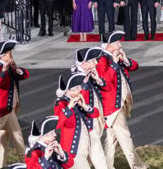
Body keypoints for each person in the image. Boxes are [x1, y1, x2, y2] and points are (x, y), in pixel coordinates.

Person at [97, 31, 146, 169]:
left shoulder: (115, 56)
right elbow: (104, 83)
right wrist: (114, 63)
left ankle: (106, 165)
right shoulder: (102, 60)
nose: (120, 44)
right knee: (125, 137)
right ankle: (137, 166)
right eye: (117, 42)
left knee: (111, 138)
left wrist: (124, 60)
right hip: (112, 106)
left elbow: (134, 66)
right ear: (109, 45)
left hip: (120, 102)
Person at [0, 41, 30, 169]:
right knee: (17, 134)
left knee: (4, 138)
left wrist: (17, 68)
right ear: (1, 56)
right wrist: (3, 71)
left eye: (10, 52)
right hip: (4, 110)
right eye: (8, 53)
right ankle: (26, 162)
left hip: (12, 107)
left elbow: (25, 75)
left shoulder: (11, 67)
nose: (11, 54)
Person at [69, 48, 107, 169]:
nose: (96, 63)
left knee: (90, 155)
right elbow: (80, 99)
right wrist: (85, 83)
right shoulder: (76, 79)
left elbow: (104, 89)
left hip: (95, 120)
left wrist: (98, 79)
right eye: (92, 60)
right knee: (98, 156)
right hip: (86, 123)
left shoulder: (88, 74)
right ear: (84, 63)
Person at [53, 73, 100, 169]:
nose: (80, 90)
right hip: (73, 149)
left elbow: (96, 114)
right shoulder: (61, 103)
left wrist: (85, 106)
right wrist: (69, 107)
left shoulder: (79, 100)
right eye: (77, 88)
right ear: (69, 91)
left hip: (85, 146)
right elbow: (57, 124)